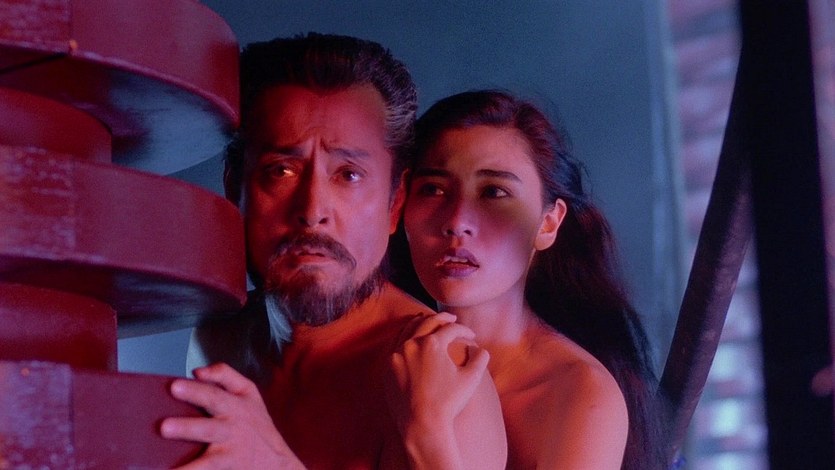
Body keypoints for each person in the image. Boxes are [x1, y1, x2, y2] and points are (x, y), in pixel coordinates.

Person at [160, 34, 507, 469]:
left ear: (395, 203)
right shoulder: (218, 339)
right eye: (281, 171)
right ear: (235, 189)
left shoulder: (442, 377)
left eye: (349, 175)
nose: (312, 211)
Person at [388, 90, 666, 469]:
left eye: (494, 192)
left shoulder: (578, 393)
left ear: (548, 223)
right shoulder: (385, 355)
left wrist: (427, 432)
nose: (456, 222)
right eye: (433, 189)